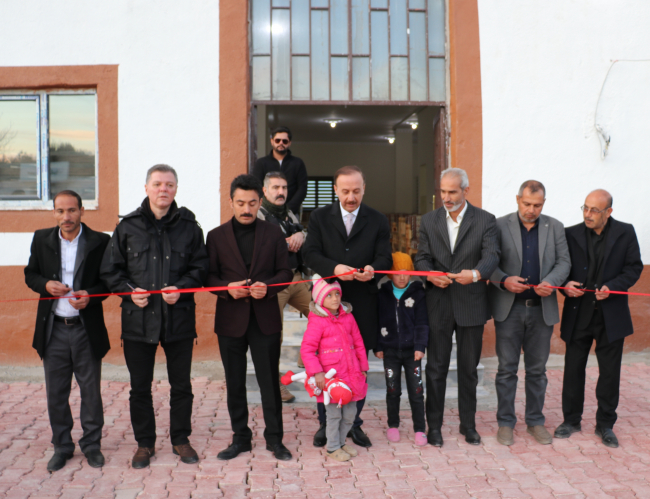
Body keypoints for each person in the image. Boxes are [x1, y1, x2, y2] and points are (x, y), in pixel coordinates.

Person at [101, 164, 209, 468]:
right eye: (158, 184)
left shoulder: (190, 226)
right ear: (146, 188)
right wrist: (127, 291)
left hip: (179, 319)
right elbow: (110, 271)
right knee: (140, 387)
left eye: (170, 185)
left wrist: (184, 287)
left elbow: (201, 268)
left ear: (176, 189)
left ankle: (180, 439)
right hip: (139, 321)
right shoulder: (127, 227)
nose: (164, 189)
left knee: (182, 385)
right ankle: (144, 444)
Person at [302, 165, 392, 448]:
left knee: (355, 367)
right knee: (326, 365)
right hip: (327, 305)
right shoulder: (318, 217)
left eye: (356, 191)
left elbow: (385, 258)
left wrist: (373, 269)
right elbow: (310, 254)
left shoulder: (377, 220)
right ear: (336, 190)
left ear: (364, 189)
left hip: (363, 303)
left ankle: (353, 424)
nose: (351, 197)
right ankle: (326, 424)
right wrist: (335, 268)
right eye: (345, 191)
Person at [206, 174, 294, 461]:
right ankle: (240, 438)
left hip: (265, 318)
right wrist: (227, 290)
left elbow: (286, 273)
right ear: (231, 201)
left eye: (252, 203)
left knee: (269, 380)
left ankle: (275, 439)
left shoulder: (273, 233)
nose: (246, 209)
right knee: (234, 382)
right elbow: (208, 277)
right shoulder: (216, 236)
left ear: (260, 202)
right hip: (230, 320)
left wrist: (268, 287)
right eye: (240, 203)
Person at [24, 190, 111, 472]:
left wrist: (91, 295)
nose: (66, 217)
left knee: (91, 391)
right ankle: (62, 446)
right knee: (56, 393)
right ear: (54, 213)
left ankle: (92, 445)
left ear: (82, 211)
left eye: (72, 210)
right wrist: (45, 286)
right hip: (54, 329)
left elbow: (108, 283)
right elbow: (31, 274)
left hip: (86, 328)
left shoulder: (100, 241)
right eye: (60, 211)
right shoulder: (41, 238)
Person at [414, 167, 499, 447]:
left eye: (452, 191)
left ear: (466, 190)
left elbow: (491, 257)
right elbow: (422, 258)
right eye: (443, 191)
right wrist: (430, 275)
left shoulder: (485, 220)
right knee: (435, 368)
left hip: (471, 303)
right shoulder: (429, 220)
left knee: (468, 369)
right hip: (438, 304)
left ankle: (468, 425)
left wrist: (474, 274)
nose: (446, 197)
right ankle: (434, 427)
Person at [554, 189, 642, 448]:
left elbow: (634, 267)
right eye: (585, 208)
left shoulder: (625, 232)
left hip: (610, 314)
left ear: (609, 212)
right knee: (572, 370)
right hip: (578, 312)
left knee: (609, 373)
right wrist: (565, 286)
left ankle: (605, 424)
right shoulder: (570, 233)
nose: (588, 214)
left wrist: (613, 286)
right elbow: (561, 269)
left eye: (594, 210)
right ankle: (570, 420)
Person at [489, 180, 571, 446]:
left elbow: (564, 262)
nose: (531, 209)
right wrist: (503, 281)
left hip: (541, 311)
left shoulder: (555, 226)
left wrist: (551, 280)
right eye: (526, 204)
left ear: (543, 204)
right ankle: (505, 423)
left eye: (537, 205)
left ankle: (535, 422)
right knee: (506, 371)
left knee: (537, 371)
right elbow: (489, 263)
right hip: (509, 309)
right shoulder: (499, 225)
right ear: (517, 199)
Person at [300, 279, 369, 462]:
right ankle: (332, 447)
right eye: (329, 295)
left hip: (351, 374)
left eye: (337, 293)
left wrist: (363, 367)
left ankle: (340, 442)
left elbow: (359, 342)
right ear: (320, 299)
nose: (335, 298)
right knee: (334, 415)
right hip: (333, 379)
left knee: (350, 415)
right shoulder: (317, 321)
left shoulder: (348, 316)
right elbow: (307, 350)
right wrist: (317, 372)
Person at [258, 171, 311, 403]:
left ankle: (306, 355)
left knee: (324, 313)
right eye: (276, 187)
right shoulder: (259, 214)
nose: (281, 192)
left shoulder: (289, 212)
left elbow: (304, 233)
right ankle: (276, 386)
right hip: (274, 282)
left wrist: (301, 234)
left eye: (284, 188)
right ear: (265, 190)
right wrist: (285, 242)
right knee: (274, 337)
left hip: (297, 278)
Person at [375, 252, 429, 446]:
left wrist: (420, 345)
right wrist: (378, 345)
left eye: (406, 272)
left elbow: (422, 322)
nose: (402, 277)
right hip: (389, 351)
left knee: (416, 391)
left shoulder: (418, 293)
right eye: (397, 272)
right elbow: (377, 320)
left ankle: (420, 429)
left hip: (412, 352)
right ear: (390, 274)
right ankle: (393, 425)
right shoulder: (382, 294)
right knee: (392, 390)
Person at [252, 126, 308, 213]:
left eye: (284, 141)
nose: (281, 143)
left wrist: (288, 209)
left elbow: (302, 188)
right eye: (277, 140)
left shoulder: (298, 163)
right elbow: (256, 187)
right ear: (272, 141)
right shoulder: (261, 163)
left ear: (289, 143)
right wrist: (267, 207)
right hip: (266, 211)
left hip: (291, 212)